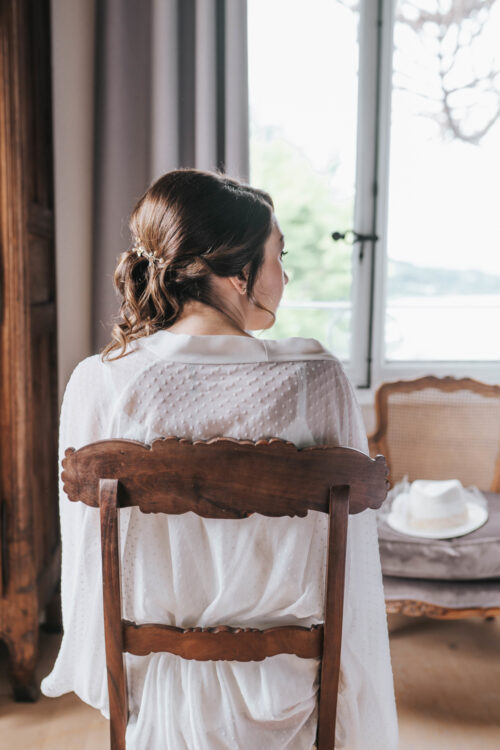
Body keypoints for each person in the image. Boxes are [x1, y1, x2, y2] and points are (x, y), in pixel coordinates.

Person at [42, 169, 398, 749]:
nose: (285, 275)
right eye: (279, 256)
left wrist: (111, 670)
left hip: (155, 682)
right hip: (290, 683)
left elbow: (87, 560)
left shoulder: (101, 380)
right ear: (239, 274)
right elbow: (351, 566)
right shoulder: (318, 378)